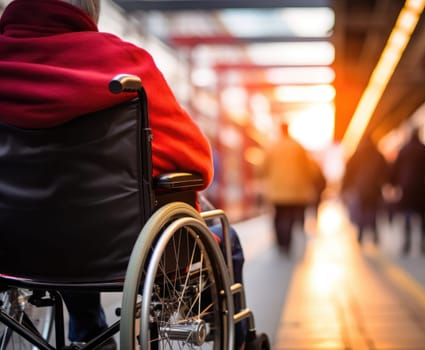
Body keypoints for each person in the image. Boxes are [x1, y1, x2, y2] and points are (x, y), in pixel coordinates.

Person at [0, 1, 245, 348]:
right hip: (113, 249)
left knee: (59, 223)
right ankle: (235, 335)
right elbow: (196, 162)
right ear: (89, 10)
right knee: (226, 237)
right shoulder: (123, 62)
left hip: (13, 245)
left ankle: (90, 334)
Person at [260, 122, 325, 254]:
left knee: (279, 216)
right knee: (289, 217)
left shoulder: (273, 147)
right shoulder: (298, 146)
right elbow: (308, 168)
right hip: (295, 191)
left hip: (277, 190)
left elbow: (262, 168)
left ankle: (281, 242)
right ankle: (287, 243)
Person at [390, 127, 425, 255]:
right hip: (421, 188)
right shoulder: (424, 149)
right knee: (423, 216)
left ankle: (407, 244)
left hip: (406, 188)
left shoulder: (403, 150)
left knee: (407, 215)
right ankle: (423, 245)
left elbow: (395, 169)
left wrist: (393, 185)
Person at [341, 135, 388, 244]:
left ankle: (361, 234)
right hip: (375, 188)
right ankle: (375, 233)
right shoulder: (378, 154)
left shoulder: (357, 154)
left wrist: (345, 187)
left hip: (360, 188)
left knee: (361, 211)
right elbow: (385, 170)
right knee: (374, 211)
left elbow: (349, 171)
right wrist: (386, 183)